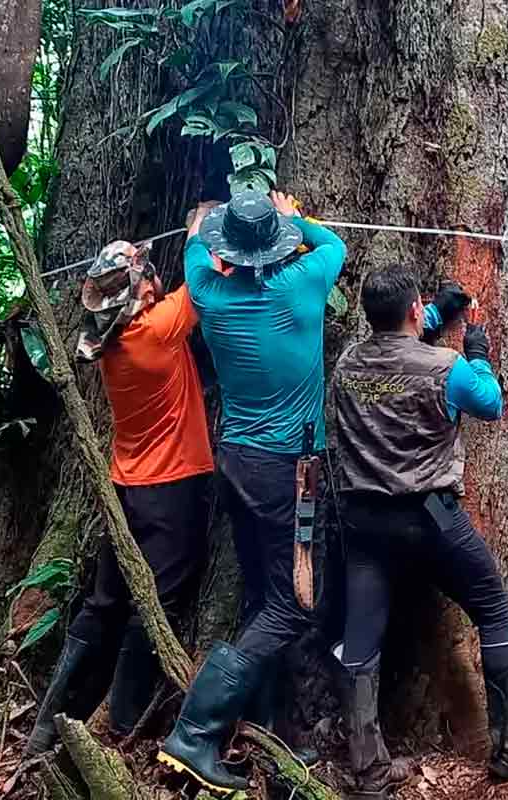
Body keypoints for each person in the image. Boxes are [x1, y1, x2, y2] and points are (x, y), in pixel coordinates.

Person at [330, 265, 508, 800]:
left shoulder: (348, 365)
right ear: (411, 309)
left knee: (361, 641)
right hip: (430, 519)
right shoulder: (446, 368)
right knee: (495, 612)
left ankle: (368, 771)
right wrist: (475, 348)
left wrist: (433, 314)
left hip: (363, 524)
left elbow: (395, 359)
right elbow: (490, 405)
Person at [157, 191, 347, 793]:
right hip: (287, 471)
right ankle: (195, 731)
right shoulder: (304, 285)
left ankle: (269, 734)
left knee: (264, 594)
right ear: (276, 243)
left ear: (226, 251)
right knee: (294, 604)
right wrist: (293, 216)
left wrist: (201, 224)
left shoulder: (208, 294)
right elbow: (333, 243)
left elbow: (192, 245)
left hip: (235, 461)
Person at [26, 240, 213, 755]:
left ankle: (47, 723)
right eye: (144, 276)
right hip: (170, 489)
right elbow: (203, 283)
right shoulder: (155, 331)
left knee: (104, 600)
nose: (153, 278)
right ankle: (123, 720)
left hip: (126, 487)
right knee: (157, 602)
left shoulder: (110, 342)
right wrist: (200, 230)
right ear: (139, 294)